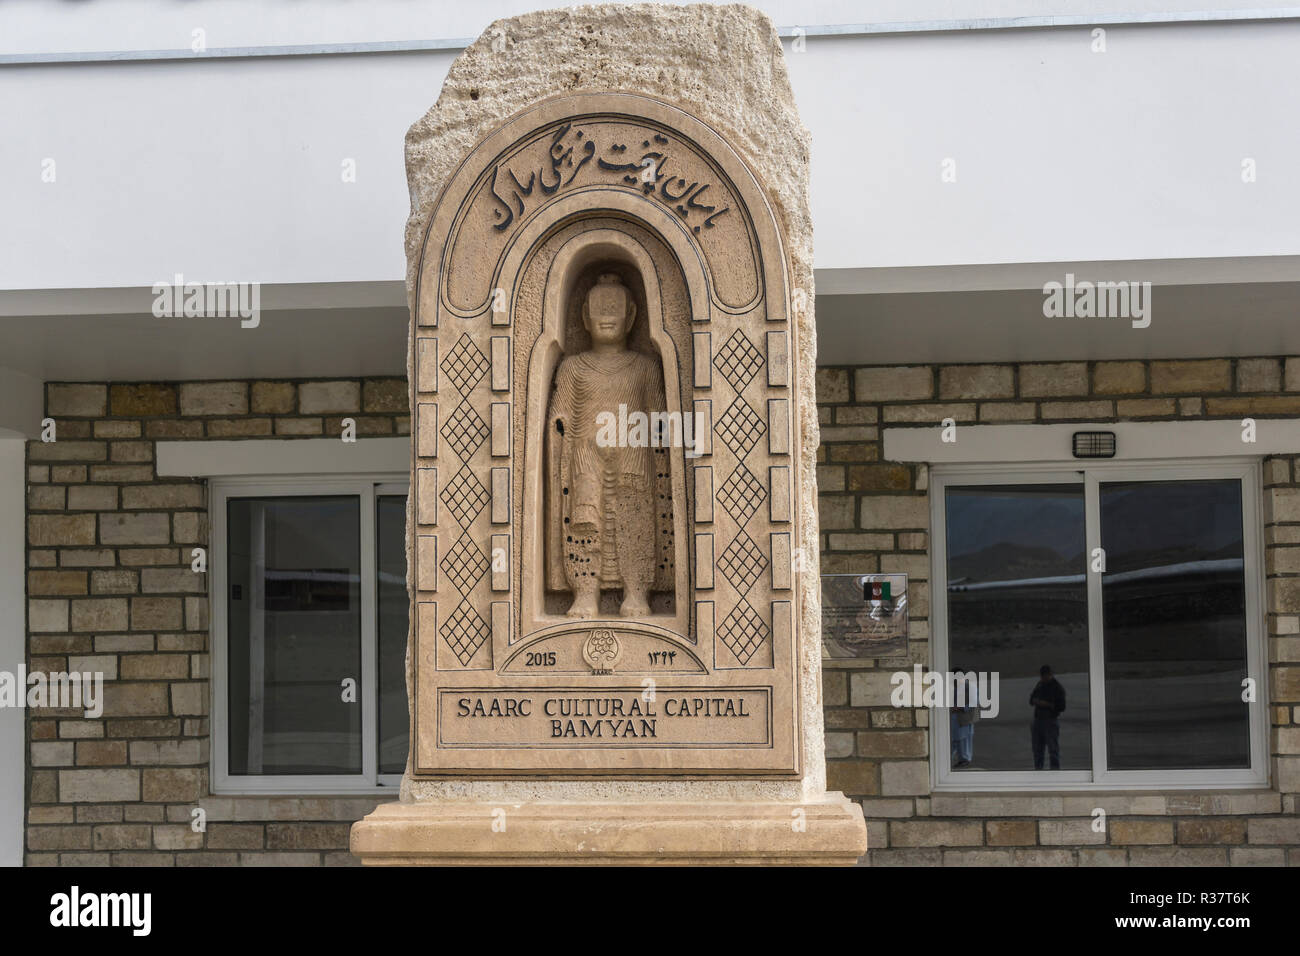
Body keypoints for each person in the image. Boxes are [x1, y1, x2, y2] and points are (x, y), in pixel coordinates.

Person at [1029, 664, 1065, 770]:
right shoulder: (1040, 685)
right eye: (1042, 676)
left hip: (1050, 721)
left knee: (1053, 750)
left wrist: (1047, 704)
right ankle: (1038, 771)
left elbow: (1061, 706)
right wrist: (1038, 702)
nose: (1044, 678)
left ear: (1050, 675)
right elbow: (1031, 700)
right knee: (1037, 751)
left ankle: (1055, 772)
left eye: (1046, 675)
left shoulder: (1057, 688)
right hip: (1038, 721)